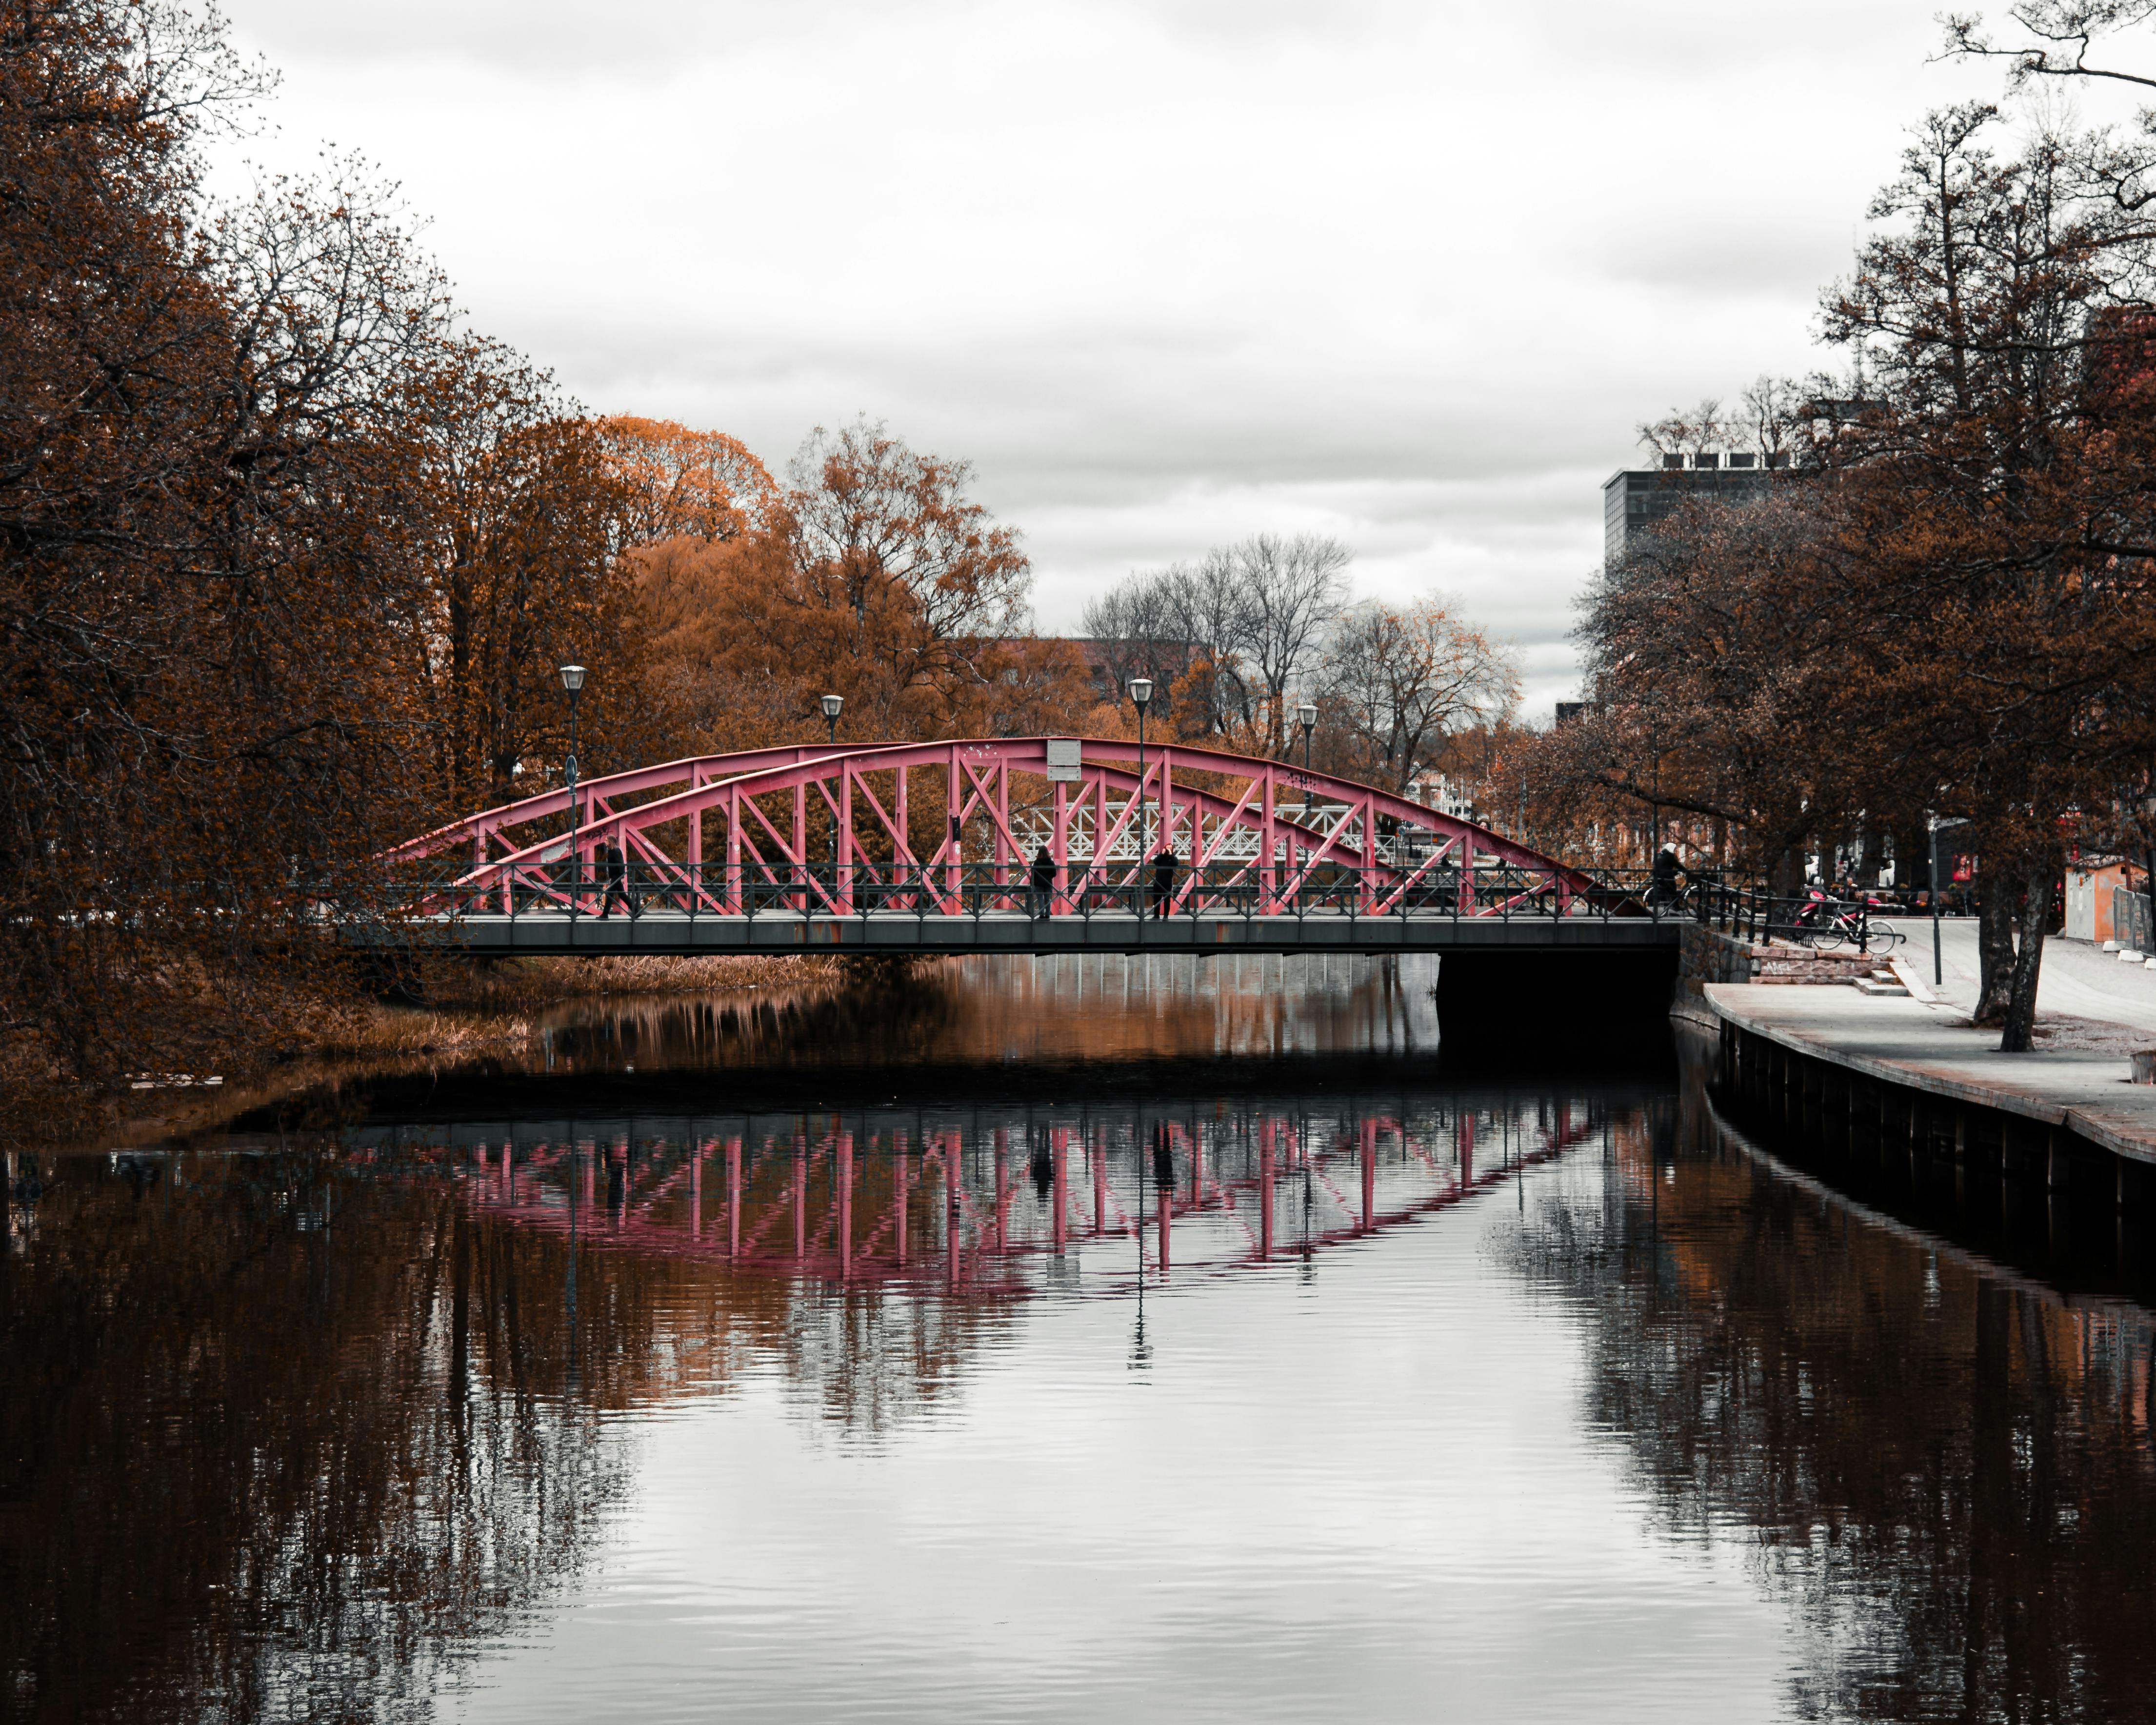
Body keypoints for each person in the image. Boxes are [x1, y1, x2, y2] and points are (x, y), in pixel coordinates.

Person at [599, 838, 636, 919]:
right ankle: (636, 911)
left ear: (611, 841)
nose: (605, 842)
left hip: (617, 876)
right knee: (622, 895)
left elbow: (621, 864)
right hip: (614, 876)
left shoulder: (616, 851)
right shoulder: (611, 851)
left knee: (609, 893)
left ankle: (605, 915)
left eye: (606, 840)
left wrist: (622, 877)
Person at [1029, 843, 1057, 919]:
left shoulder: (1037, 862)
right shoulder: (1051, 862)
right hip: (1048, 883)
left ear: (1039, 853)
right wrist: (1048, 878)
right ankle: (1048, 915)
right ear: (1047, 852)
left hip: (1039, 884)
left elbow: (1033, 873)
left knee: (1040, 899)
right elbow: (1054, 874)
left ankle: (1042, 915)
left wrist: (1032, 883)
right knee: (1048, 900)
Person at [1649, 844, 1680, 909]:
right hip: (1666, 877)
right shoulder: (1670, 856)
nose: (1675, 851)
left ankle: (1670, 905)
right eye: (1674, 849)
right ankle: (1676, 906)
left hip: (1658, 877)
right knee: (1674, 890)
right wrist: (1687, 871)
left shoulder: (1660, 855)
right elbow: (1678, 865)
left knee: (1668, 889)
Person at [1151, 845, 1178, 918]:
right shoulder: (1161, 857)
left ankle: (1166, 916)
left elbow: (1176, 863)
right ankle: (1156, 915)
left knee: (1167, 900)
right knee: (1157, 899)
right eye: (1167, 848)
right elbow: (1155, 862)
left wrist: (1170, 854)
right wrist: (1161, 854)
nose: (1168, 849)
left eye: (1170, 848)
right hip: (1158, 882)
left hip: (1167, 883)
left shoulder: (1172, 858)